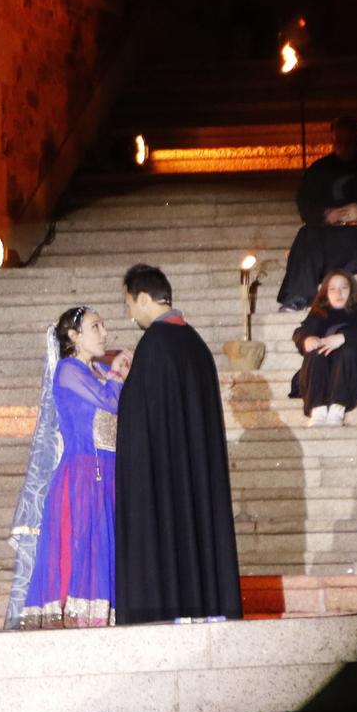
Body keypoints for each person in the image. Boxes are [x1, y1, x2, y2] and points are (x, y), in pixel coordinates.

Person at [114, 264, 242, 623]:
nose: (130, 314)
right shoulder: (195, 343)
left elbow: (140, 420)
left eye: (129, 304)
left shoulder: (154, 343)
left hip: (166, 482)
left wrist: (127, 386)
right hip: (196, 476)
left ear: (142, 298)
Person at [6, 307, 129, 628]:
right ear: (74, 337)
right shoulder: (68, 370)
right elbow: (111, 403)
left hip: (111, 476)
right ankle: (83, 623)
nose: (104, 333)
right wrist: (118, 373)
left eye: (104, 326)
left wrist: (114, 372)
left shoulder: (101, 371)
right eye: (95, 327)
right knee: (86, 551)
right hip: (84, 477)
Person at [277, 117, 357, 311]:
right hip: (332, 239)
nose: (344, 147)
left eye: (349, 141)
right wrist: (327, 214)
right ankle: (298, 295)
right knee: (306, 234)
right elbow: (305, 202)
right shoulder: (319, 170)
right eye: (339, 142)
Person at [292, 270, 357, 426]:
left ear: (352, 290)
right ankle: (318, 410)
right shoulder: (319, 314)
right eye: (332, 289)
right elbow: (300, 332)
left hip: (354, 373)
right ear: (326, 293)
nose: (338, 293)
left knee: (348, 352)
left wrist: (343, 338)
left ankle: (337, 410)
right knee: (316, 353)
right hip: (323, 374)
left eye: (344, 288)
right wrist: (306, 339)